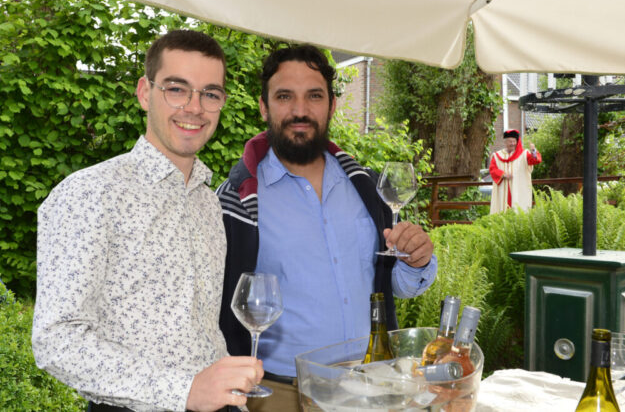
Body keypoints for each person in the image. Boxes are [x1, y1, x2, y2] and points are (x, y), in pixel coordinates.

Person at [32, 30, 263, 412]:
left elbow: (204, 332)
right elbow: (56, 340)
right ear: (144, 92)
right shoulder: (89, 193)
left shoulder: (208, 203)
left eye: (210, 94)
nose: (194, 107)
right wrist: (185, 390)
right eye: (177, 89)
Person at [216, 45, 438, 411]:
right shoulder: (237, 201)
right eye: (284, 96)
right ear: (263, 107)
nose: (300, 110)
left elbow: (395, 284)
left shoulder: (366, 188)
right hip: (280, 394)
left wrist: (416, 261)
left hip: (372, 384)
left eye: (314, 96)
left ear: (332, 105)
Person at [489, 129, 542, 214]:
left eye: (514, 141)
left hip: (519, 188)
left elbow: (534, 160)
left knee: (519, 211)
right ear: (505, 142)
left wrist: (533, 151)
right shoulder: (497, 155)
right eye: (510, 141)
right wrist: (503, 174)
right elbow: (492, 169)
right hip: (503, 189)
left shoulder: (523, 154)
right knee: (502, 211)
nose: (512, 143)